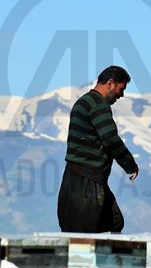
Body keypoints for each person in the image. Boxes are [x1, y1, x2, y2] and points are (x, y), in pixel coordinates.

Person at [57, 65, 139, 233]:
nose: (121, 95)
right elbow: (110, 138)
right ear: (110, 83)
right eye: (121, 89)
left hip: (76, 176)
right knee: (86, 231)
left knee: (113, 221)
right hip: (87, 179)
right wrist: (129, 164)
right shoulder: (97, 105)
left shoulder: (83, 102)